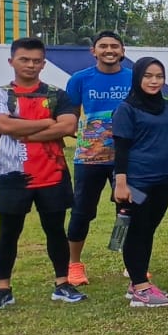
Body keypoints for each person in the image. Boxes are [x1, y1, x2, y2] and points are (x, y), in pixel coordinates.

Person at [0, 37, 82, 309]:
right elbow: (3, 125)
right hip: (12, 173)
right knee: (9, 231)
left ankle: (62, 283)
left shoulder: (57, 94)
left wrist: (24, 128)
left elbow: (67, 126)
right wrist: (46, 121)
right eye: (24, 60)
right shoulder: (0, 94)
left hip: (51, 172)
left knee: (55, 229)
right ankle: (3, 288)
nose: (31, 65)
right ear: (12, 62)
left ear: (44, 63)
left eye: (36, 60)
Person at [64, 30, 130, 287]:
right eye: (103, 46)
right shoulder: (80, 79)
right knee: (82, 212)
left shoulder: (134, 78)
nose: (109, 50)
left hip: (126, 159)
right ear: (94, 51)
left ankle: (131, 262)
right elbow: (68, 117)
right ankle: (74, 265)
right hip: (88, 159)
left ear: (122, 51)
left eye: (114, 46)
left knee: (126, 211)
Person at [110, 58, 168, 307]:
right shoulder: (126, 109)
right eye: (148, 76)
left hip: (162, 180)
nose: (154, 81)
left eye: (159, 76)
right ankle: (140, 288)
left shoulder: (167, 107)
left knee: (147, 230)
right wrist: (121, 183)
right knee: (136, 232)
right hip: (135, 183)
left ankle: (137, 281)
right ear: (138, 77)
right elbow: (121, 148)